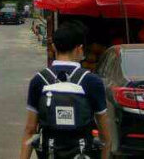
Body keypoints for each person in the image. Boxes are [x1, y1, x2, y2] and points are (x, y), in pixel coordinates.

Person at [19, 21, 110, 159]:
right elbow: (105, 136)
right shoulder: (92, 81)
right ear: (80, 49)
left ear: (53, 47)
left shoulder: (39, 80)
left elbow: (30, 130)